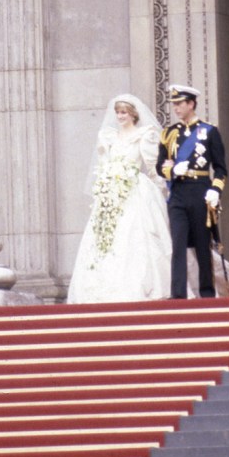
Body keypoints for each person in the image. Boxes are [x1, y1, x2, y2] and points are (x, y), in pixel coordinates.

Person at [67, 94, 171, 303]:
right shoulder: (109, 137)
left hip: (135, 191)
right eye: (117, 112)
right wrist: (105, 188)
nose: (120, 116)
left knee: (136, 238)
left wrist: (161, 192)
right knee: (107, 241)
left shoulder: (144, 135)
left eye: (123, 112)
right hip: (111, 193)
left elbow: (152, 168)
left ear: (133, 114)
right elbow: (104, 164)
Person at [156, 84, 227, 299]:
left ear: (191, 104)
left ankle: (206, 292)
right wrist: (172, 169)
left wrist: (216, 189)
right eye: (174, 104)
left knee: (202, 245)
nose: (176, 108)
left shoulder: (209, 131)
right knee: (178, 243)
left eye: (180, 104)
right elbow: (159, 166)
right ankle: (178, 294)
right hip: (178, 193)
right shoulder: (169, 134)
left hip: (200, 192)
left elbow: (221, 168)